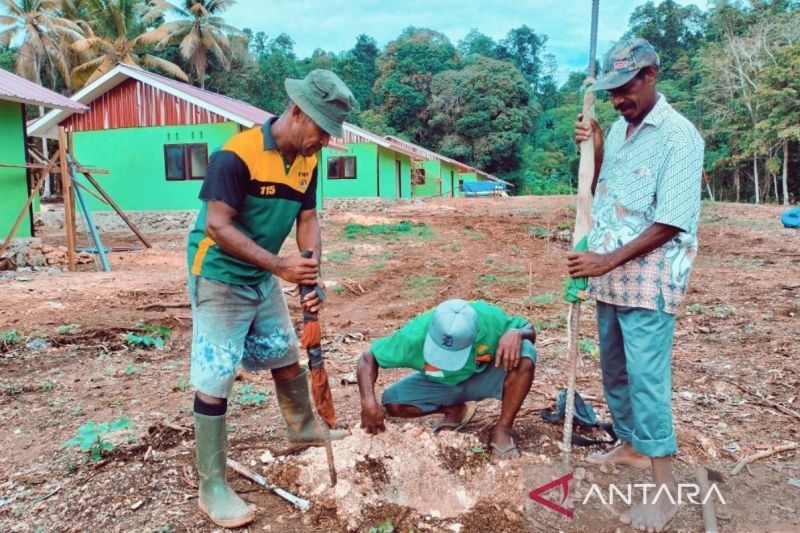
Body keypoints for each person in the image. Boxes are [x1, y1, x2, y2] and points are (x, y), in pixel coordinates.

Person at [185, 70, 355, 528]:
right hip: (219, 276)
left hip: (262, 275)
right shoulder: (235, 157)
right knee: (217, 376)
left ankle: (301, 428)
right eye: (322, 130)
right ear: (297, 113)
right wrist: (279, 266)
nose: (324, 141)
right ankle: (213, 486)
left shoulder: (306, 158)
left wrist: (308, 270)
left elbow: (309, 217)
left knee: (283, 353)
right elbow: (218, 227)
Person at [569, 37, 704, 531]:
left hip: (648, 280)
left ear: (651, 76)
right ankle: (629, 445)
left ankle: (664, 491)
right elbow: (607, 185)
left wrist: (604, 261)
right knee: (616, 372)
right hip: (610, 277)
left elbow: (672, 221)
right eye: (611, 93)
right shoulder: (625, 130)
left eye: (625, 89)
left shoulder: (679, 137)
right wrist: (597, 143)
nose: (619, 100)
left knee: (647, 381)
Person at [356, 299, 537, 463]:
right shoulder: (414, 335)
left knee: (525, 355)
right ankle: (455, 409)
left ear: (476, 333)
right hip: (441, 384)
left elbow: (529, 329)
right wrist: (368, 402)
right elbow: (368, 358)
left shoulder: (488, 319)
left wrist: (518, 333)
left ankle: (503, 429)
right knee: (392, 402)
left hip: (483, 378)